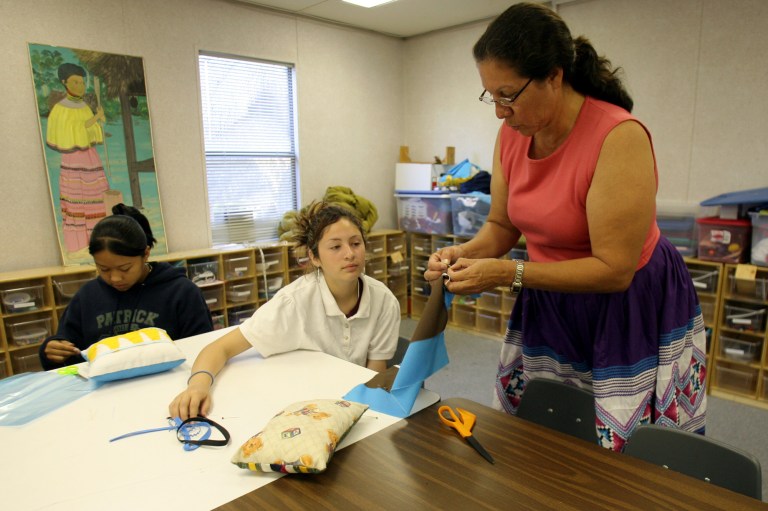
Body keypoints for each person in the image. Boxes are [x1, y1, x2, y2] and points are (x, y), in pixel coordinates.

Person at [425, 3, 706, 452]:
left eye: (508, 95)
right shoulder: (514, 133)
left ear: (554, 76)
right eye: (490, 96)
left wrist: (506, 273)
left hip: (627, 302)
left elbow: (615, 270)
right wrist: (467, 253)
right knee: (549, 429)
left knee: (626, 446)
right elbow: (502, 224)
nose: (499, 112)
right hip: (552, 294)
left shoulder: (619, 137)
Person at [169, 201, 400, 420]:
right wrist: (197, 386)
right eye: (335, 246)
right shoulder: (293, 303)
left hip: (354, 407)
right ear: (314, 257)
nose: (349, 253)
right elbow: (221, 347)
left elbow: (374, 375)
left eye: (356, 243)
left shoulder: (384, 301)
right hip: (305, 406)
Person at [39, 204, 214, 370]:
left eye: (125, 268)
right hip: (105, 392)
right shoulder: (87, 296)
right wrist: (52, 351)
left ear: (145, 254)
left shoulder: (182, 292)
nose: (115, 278)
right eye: (104, 269)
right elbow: (70, 354)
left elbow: (203, 350)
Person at [46, 63, 110, 253]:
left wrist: (99, 117)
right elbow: (79, 128)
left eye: (82, 82)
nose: (80, 86)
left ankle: (100, 238)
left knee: (96, 195)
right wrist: (95, 117)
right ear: (65, 83)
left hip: (89, 156)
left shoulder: (83, 105)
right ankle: (79, 241)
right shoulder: (60, 108)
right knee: (76, 197)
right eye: (75, 82)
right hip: (74, 158)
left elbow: (91, 127)